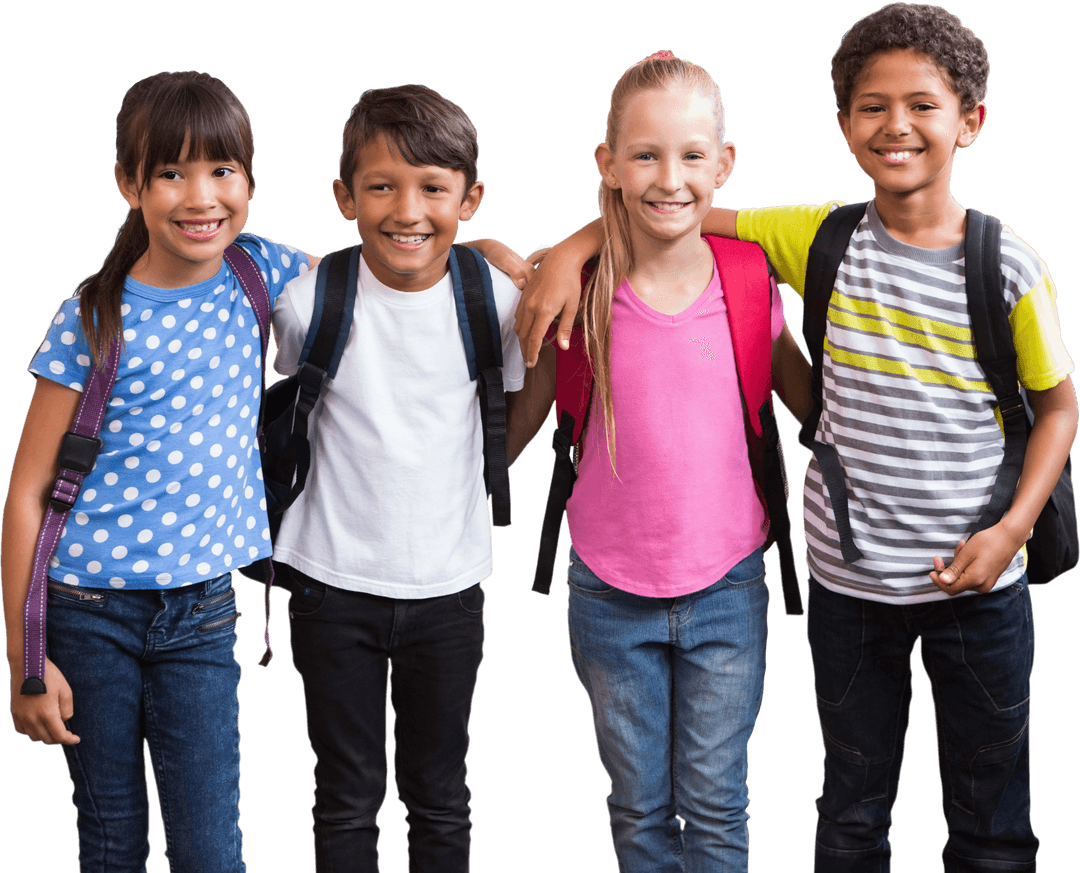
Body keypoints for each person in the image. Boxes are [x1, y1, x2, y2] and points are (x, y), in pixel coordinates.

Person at [514, 7, 1078, 872]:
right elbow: (678, 212)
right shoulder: (817, 235)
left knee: (991, 811)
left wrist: (1011, 531)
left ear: (970, 119)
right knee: (849, 812)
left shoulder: (1007, 264)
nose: (896, 125)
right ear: (846, 123)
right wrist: (574, 245)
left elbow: (1058, 409)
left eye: (923, 105)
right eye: (872, 105)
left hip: (978, 581)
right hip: (848, 588)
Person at [0, 71, 315, 872]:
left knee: (211, 848)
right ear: (129, 184)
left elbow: (384, 272)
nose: (200, 195)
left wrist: (489, 254)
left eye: (222, 170)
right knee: (112, 842)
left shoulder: (260, 272)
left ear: (249, 180)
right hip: (87, 611)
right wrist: (27, 657)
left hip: (203, 614)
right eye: (171, 172)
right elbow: (28, 491)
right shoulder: (91, 317)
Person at [517, 53, 809, 872]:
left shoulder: (752, 276)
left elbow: (810, 401)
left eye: (690, 155)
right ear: (607, 165)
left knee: (716, 803)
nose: (669, 178)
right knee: (638, 806)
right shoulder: (577, 287)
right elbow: (521, 415)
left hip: (728, 583)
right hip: (609, 592)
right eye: (645, 155)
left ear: (724, 163)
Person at [269, 84, 545, 873]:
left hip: (450, 591)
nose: (407, 210)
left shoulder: (489, 295)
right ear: (344, 197)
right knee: (346, 795)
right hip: (329, 587)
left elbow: (515, 406)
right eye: (382, 186)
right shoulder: (309, 298)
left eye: (432, 187)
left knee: (441, 794)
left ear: (471, 198)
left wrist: (469, 479)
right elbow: (295, 404)